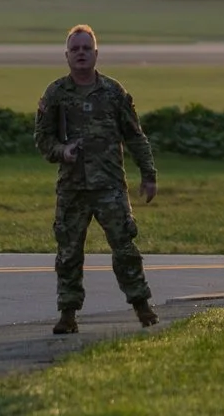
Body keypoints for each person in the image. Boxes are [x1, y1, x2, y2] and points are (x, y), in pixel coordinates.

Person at [33, 25, 160, 334]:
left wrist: (149, 174)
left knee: (124, 247)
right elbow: (42, 139)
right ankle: (68, 313)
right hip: (73, 187)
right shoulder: (56, 94)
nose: (80, 54)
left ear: (96, 54)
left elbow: (135, 136)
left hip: (110, 186)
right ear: (66, 55)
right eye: (75, 49)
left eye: (86, 48)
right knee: (68, 252)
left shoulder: (113, 92)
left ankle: (142, 306)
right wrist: (63, 152)